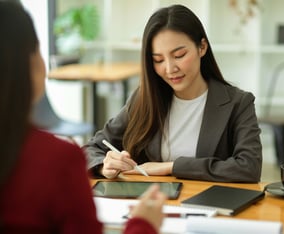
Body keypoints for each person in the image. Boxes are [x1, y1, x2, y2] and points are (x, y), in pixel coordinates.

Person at [0, 1, 165, 234]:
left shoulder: (233, 101)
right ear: (31, 63)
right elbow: (96, 146)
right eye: (158, 59)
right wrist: (142, 224)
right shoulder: (57, 162)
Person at [84, 4, 262, 182]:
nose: (169, 69)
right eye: (158, 60)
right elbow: (91, 149)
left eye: (179, 55)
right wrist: (104, 166)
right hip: (153, 203)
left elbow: (249, 168)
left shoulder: (238, 103)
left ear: (202, 47)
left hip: (210, 204)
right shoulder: (144, 99)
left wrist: (171, 167)